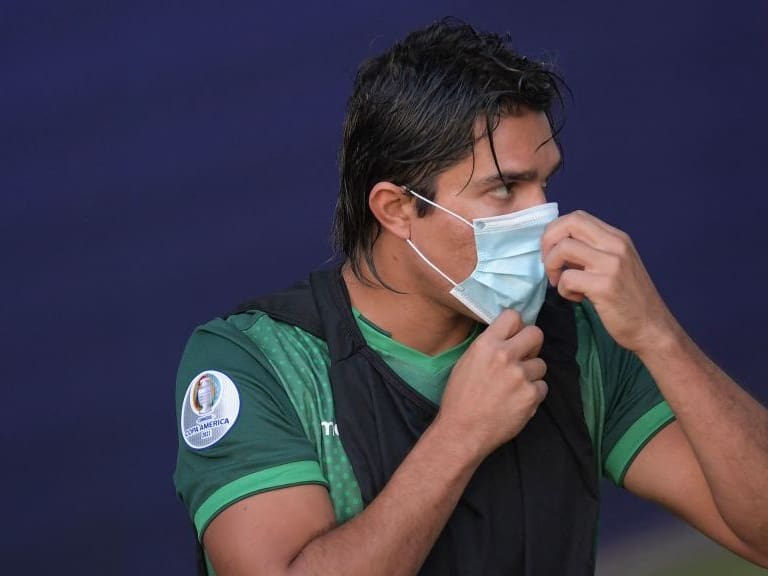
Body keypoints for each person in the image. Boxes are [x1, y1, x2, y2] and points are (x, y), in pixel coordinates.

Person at [173, 19, 768, 576]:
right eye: (505, 189)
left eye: (545, 183)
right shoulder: (255, 363)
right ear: (397, 209)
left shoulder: (579, 336)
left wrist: (659, 336)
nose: (543, 217)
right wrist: (459, 436)